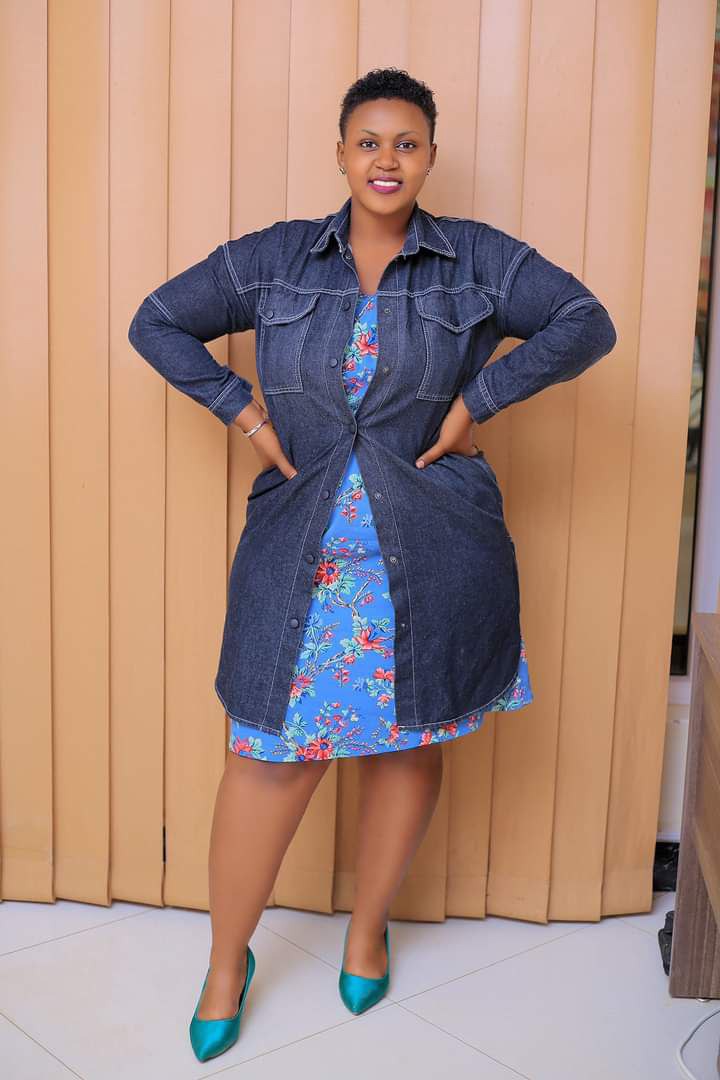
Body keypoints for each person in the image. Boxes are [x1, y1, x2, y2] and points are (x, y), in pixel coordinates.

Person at [128, 67, 617, 1062]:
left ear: (430, 157)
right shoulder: (272, 260)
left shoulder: (476, 260)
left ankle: (366, 930)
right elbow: (156, 321)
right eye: (368, 141)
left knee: (405, 743)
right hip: (299, 551)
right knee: (268, 755)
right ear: (342, 153)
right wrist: (242, 410)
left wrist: (479, 400)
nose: (386, 160)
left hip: (435, 550)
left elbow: (585, 321)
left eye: (406, 143)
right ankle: (226, 963)